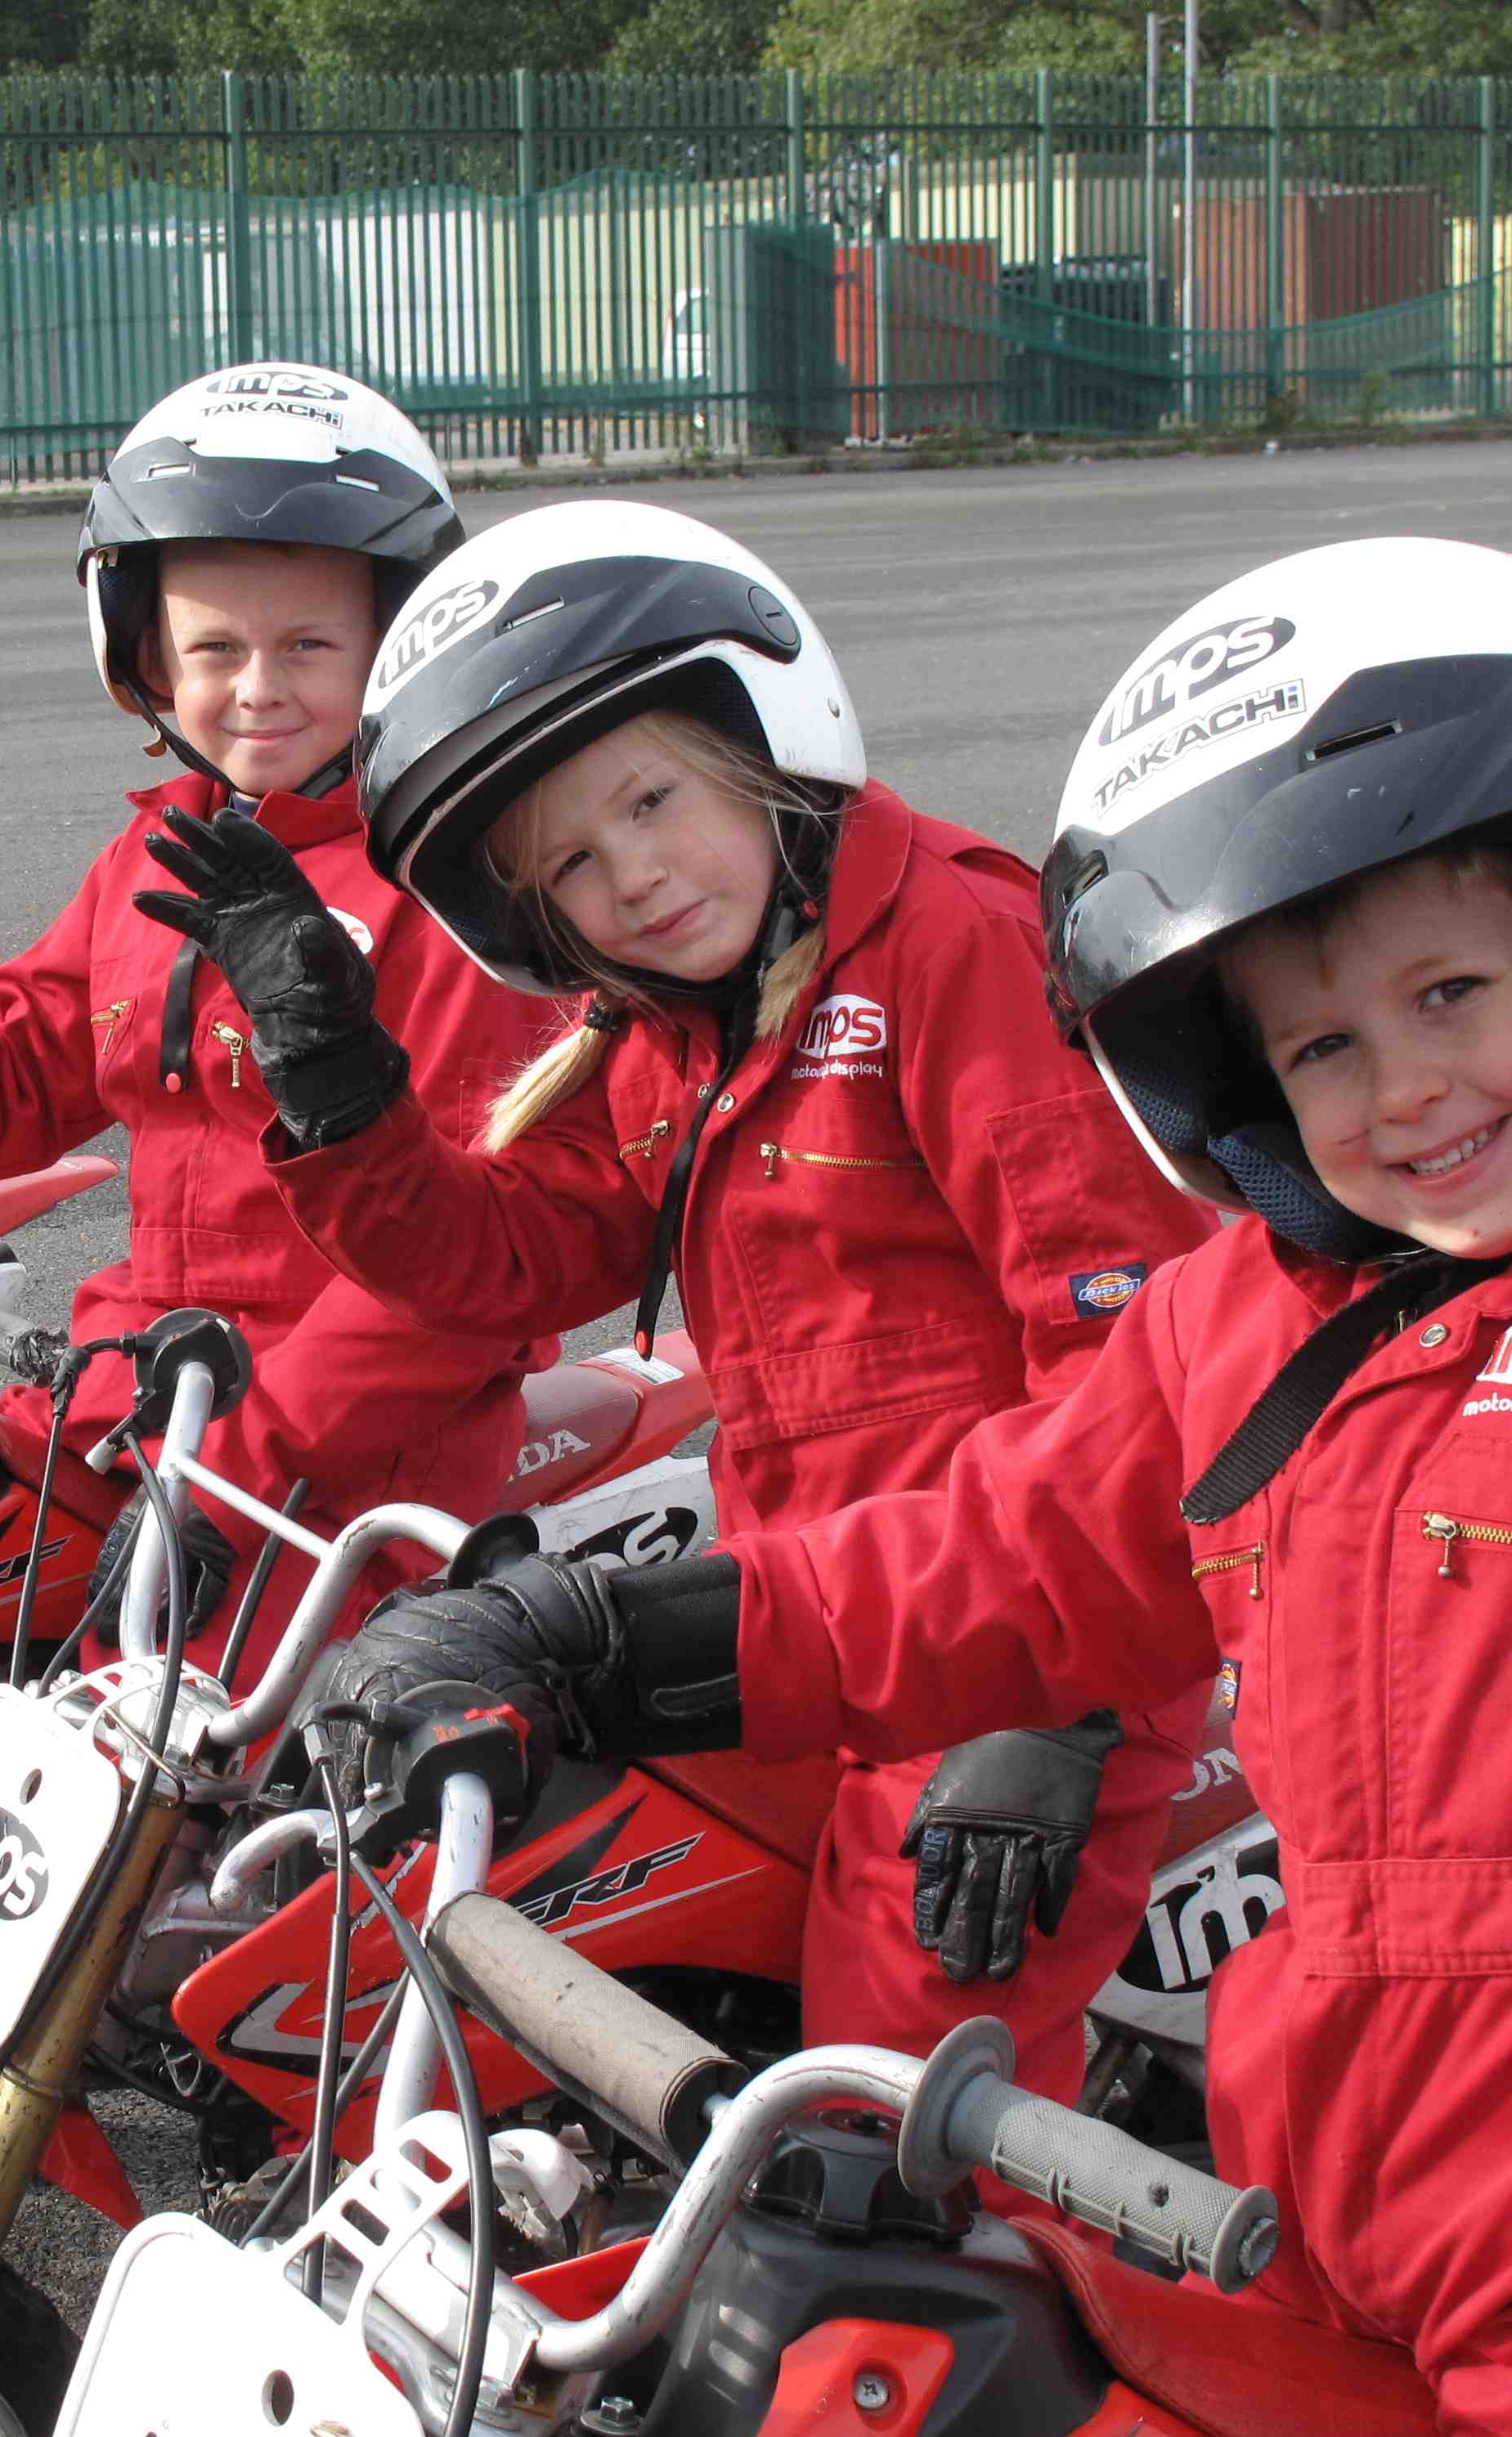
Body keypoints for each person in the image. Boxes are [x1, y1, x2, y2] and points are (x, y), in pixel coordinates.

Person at [314, 456, 1512, 2437]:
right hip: (1323, 2172)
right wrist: (578, 1635)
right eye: (1316, 1044)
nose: (1404, 1089)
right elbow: (973, 1563)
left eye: (1456, 989)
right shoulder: (1251, 1320)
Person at [230, 498, 1218, 2099]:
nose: (638, 876)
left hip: (1013, 1655)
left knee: (883, 2116)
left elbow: (1135, 1366)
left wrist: (1065, 1711)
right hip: (808, 1632)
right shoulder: (679, 1039)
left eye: (653, 801)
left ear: (760, 748)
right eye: (572, 864)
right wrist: (338, 1091)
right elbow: (506, 1264)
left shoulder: (949, 952)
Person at [0, 364, 560, 1659]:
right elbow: (8, 1097)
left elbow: (460, 1281)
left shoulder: (457, 893)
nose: (259, 688)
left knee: (190, 1802)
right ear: (143, 656)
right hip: (136, 1394)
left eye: (310, 646)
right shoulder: (155, 859)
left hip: (348, 1441)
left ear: (398, 640)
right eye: (214, 650)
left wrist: (237, 1472)